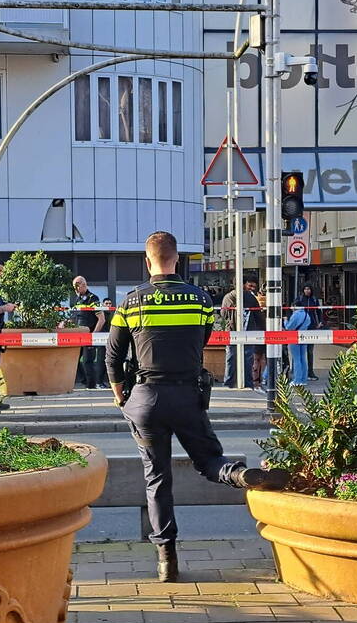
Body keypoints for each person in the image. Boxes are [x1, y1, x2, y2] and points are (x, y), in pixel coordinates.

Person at [106, 232, 289, 583]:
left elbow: (113, 356)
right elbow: (203, 339)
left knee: (156, 478)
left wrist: (120, 396)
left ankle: (166, 560)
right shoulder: (200, 298)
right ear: (177, 260)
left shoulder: (130, 304)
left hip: (145, 398)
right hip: (188, 395)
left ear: (148, 262)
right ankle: (237, 474)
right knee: (208, 460)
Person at [221, 277, 263, 389]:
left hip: (231, 332)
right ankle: (248, 382)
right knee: (248, 358)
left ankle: (229, 382)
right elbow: (258, 315)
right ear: (244, 284)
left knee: (230, 357)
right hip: (248, 333)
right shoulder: (250, 297)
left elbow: (223, 314)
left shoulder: (228, 297)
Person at [71, 276, 107, 389]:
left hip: (89, 335)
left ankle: (91, 386)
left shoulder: (93, 298)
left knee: (87, 361)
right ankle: (84, 381)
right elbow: (74, 317)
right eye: (74, 287)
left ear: (83, 284)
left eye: (77, 286)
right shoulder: (77, 299)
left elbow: (102, 319)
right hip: (78, 335)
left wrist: (93, 336)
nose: (75, 289)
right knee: (74, 360)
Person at [293, 285, 322, 380]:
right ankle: (296, 371)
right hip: (301, 327)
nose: (307, 290)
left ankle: (310, 372)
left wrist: (320, 322)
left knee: (310, 351)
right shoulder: (299, 299)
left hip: (311, 327)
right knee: (298, 351)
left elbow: (318, 312)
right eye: (305, 288)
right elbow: (293, 310)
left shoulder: (314, 299)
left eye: (308, 289)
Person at [284, 304, 311, 386]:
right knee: (303, 358)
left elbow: (288, 327)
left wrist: (285, 321)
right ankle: (303, 379)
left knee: (296, 359)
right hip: (304, 337)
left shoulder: (295, 315)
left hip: (294, 337)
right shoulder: (307, 315)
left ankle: (297, 380)